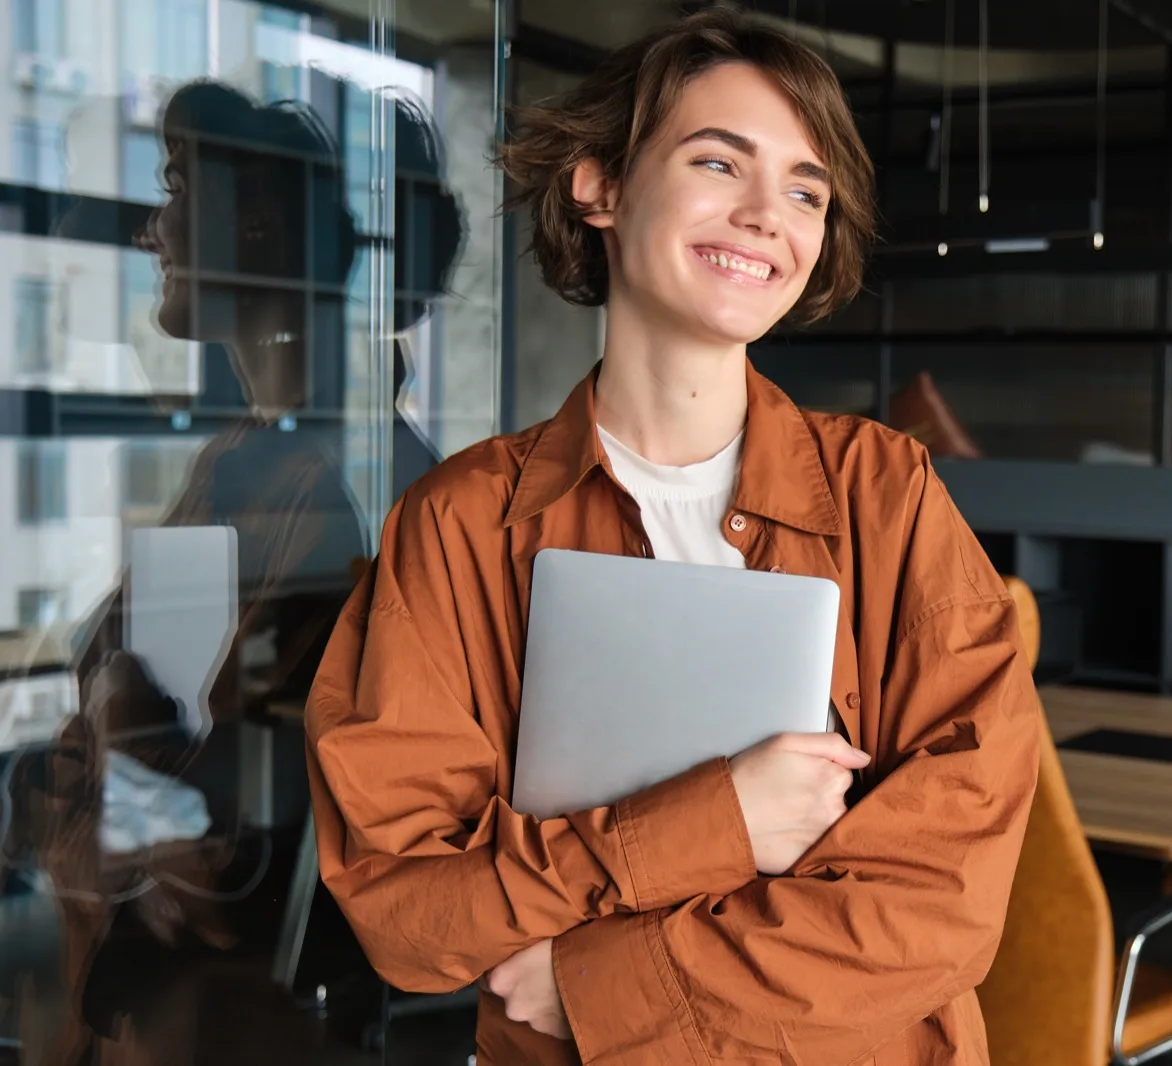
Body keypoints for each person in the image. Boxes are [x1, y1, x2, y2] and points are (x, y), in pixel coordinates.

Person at [305, 9, 1040, 1065]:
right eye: (717, 161)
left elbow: (943, 897)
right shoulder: (459, 523)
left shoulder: (888, 494)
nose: (764, 216)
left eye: (804, 190)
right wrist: (718, 821)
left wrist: (599, 978)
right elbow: (408, 908)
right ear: (598, 184)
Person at [6, 77, 463, 1065]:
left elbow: (242, 853)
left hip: (211, 1018)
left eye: (175, 186)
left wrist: (126, 747)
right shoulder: (248, 457)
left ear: (257, 226)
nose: (149, 231)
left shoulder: (344, 484)